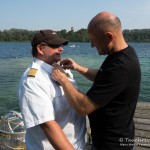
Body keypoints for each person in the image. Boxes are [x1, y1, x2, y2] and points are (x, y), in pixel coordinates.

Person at [51, 12, 141, 150]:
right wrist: (77, 67)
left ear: (109, 36)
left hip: (112, 144)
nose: (92, 45)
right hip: (117, 135)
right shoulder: (124, 53)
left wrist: (63, 79)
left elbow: (83, 107)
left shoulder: (120, 67)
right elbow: (104, 76)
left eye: (94, 40)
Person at [18, 29, 86, 150]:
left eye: (61, 45)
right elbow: (48, 125)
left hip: (78, 144)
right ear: (40, 49)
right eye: (55, 46)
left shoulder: (61, 69)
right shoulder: (33, 80)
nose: (61, 49)